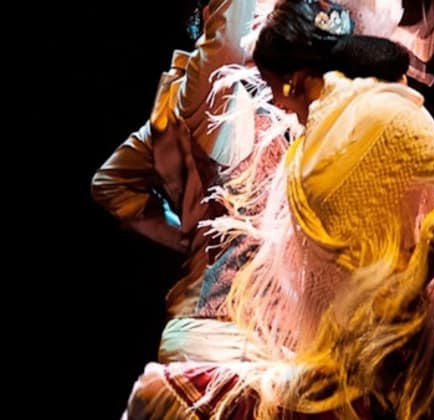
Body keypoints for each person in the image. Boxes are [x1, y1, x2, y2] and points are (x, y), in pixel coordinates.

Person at [123, 0, 434, 418]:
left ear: (292, 78)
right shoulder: (313, 134)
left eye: (270, 85)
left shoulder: (380, 112)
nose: (273, 101)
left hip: (398, 334)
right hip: (347, 343)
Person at [91, 0, 293, 364]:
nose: (265, 25)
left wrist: (185, 236)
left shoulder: (252, 99)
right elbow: (226, 43)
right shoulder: (216, 96)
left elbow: (110, 183)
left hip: (235, 322)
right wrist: (185, 237)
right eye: (257, 15)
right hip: (226, 329)